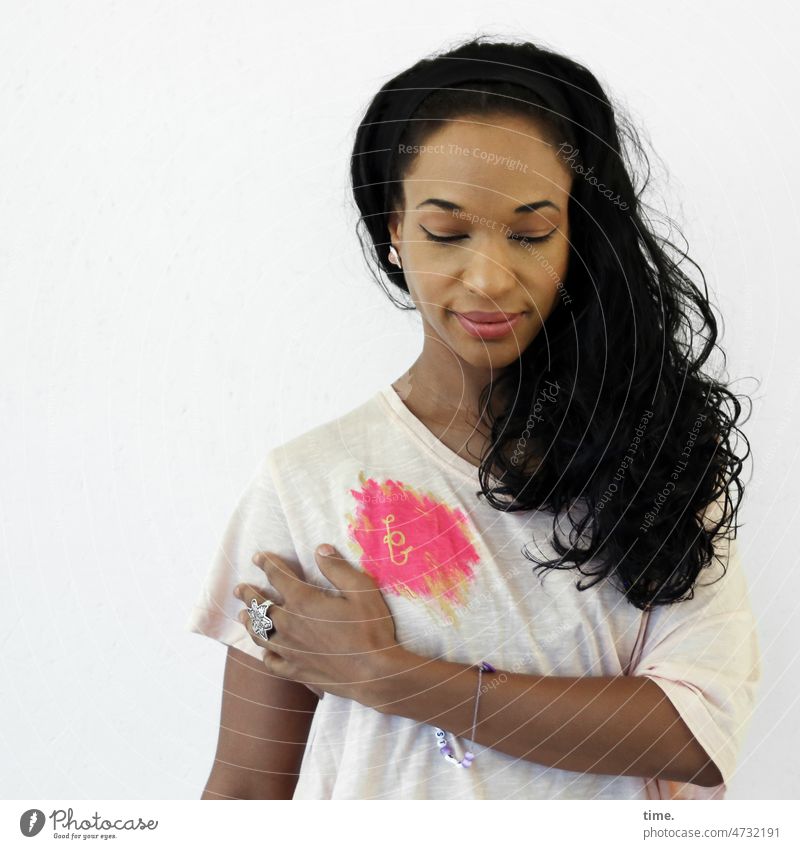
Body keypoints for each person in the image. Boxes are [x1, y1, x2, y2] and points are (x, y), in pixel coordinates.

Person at [186, 36, 761, 800]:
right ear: (393, 232)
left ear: (576, 238)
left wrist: (390, 676)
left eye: (530, 233)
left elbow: (695, 731)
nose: (489, 277)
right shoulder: (307, 486)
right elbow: (245, 790)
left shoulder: (658, 459)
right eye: (446, 232)